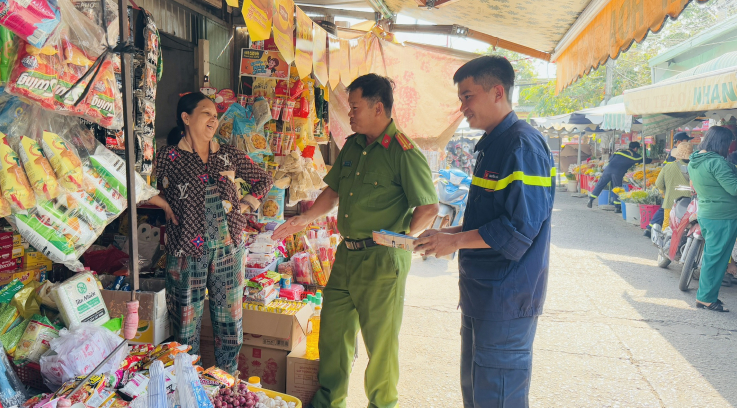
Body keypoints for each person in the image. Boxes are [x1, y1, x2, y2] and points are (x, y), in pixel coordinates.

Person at [271, 73, 439, 408]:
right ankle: (329, 402)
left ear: (379, 108)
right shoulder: (353, 145)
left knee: (380, 347)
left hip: (382, 260)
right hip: (346, 257)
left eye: (355, 107)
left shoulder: (402, 151)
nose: (350, 114)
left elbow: (429, 207)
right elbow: (332, 193)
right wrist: (304, 218)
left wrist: (404, 240)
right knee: (333, 337)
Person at [413, 55, 554, 408]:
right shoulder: (492, 145)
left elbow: (519, 229)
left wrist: (456, 240)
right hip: (481, 295)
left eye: (467, 96)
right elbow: (488, 223)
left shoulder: (523, 144)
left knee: (497, 397)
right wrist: (445, 236)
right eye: (460, 98)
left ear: (497, 92)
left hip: (506, 297)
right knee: (477, 394)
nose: (462, 108)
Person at [148, 92, 273, 372]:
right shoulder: (168, 156)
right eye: (206, 113)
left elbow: (264, 179)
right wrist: (163, 203)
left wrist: (246, 204)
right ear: (186, 118)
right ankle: (189, 385)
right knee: (185, 326)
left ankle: (227, 382)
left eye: (216, 115)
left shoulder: (228, 154)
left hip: (229, 250)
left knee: (230, 324)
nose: (213, 119)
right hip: (185, 252)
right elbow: (137, 183)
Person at [687, 126, 737, 312]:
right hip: (722, 217)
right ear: (721, 143)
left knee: (715, 257)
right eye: (729, 143)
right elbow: (734, 189)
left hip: (708, 213)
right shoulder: (716, 162)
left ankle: (707, 296)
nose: (730, 147)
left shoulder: (696, 160)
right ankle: (706, 298)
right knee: (715, 259)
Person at [587, 141, 651, 213]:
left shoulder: (619, 151)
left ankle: (591, 198)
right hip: (617, 172)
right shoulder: (633, 155)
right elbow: (644, 160)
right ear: (636, 148)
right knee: (617, 188)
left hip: (608, 170)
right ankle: (617, 208)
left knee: (600, 184)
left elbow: (610, 159)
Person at [653, 141, 692, 231]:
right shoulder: (696, 168)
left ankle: (666, 243)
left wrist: (666, 190)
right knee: (686, 228)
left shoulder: (668, 167)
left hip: (670, 203)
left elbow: (658, 184)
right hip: (689, 205)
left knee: (667, 226)